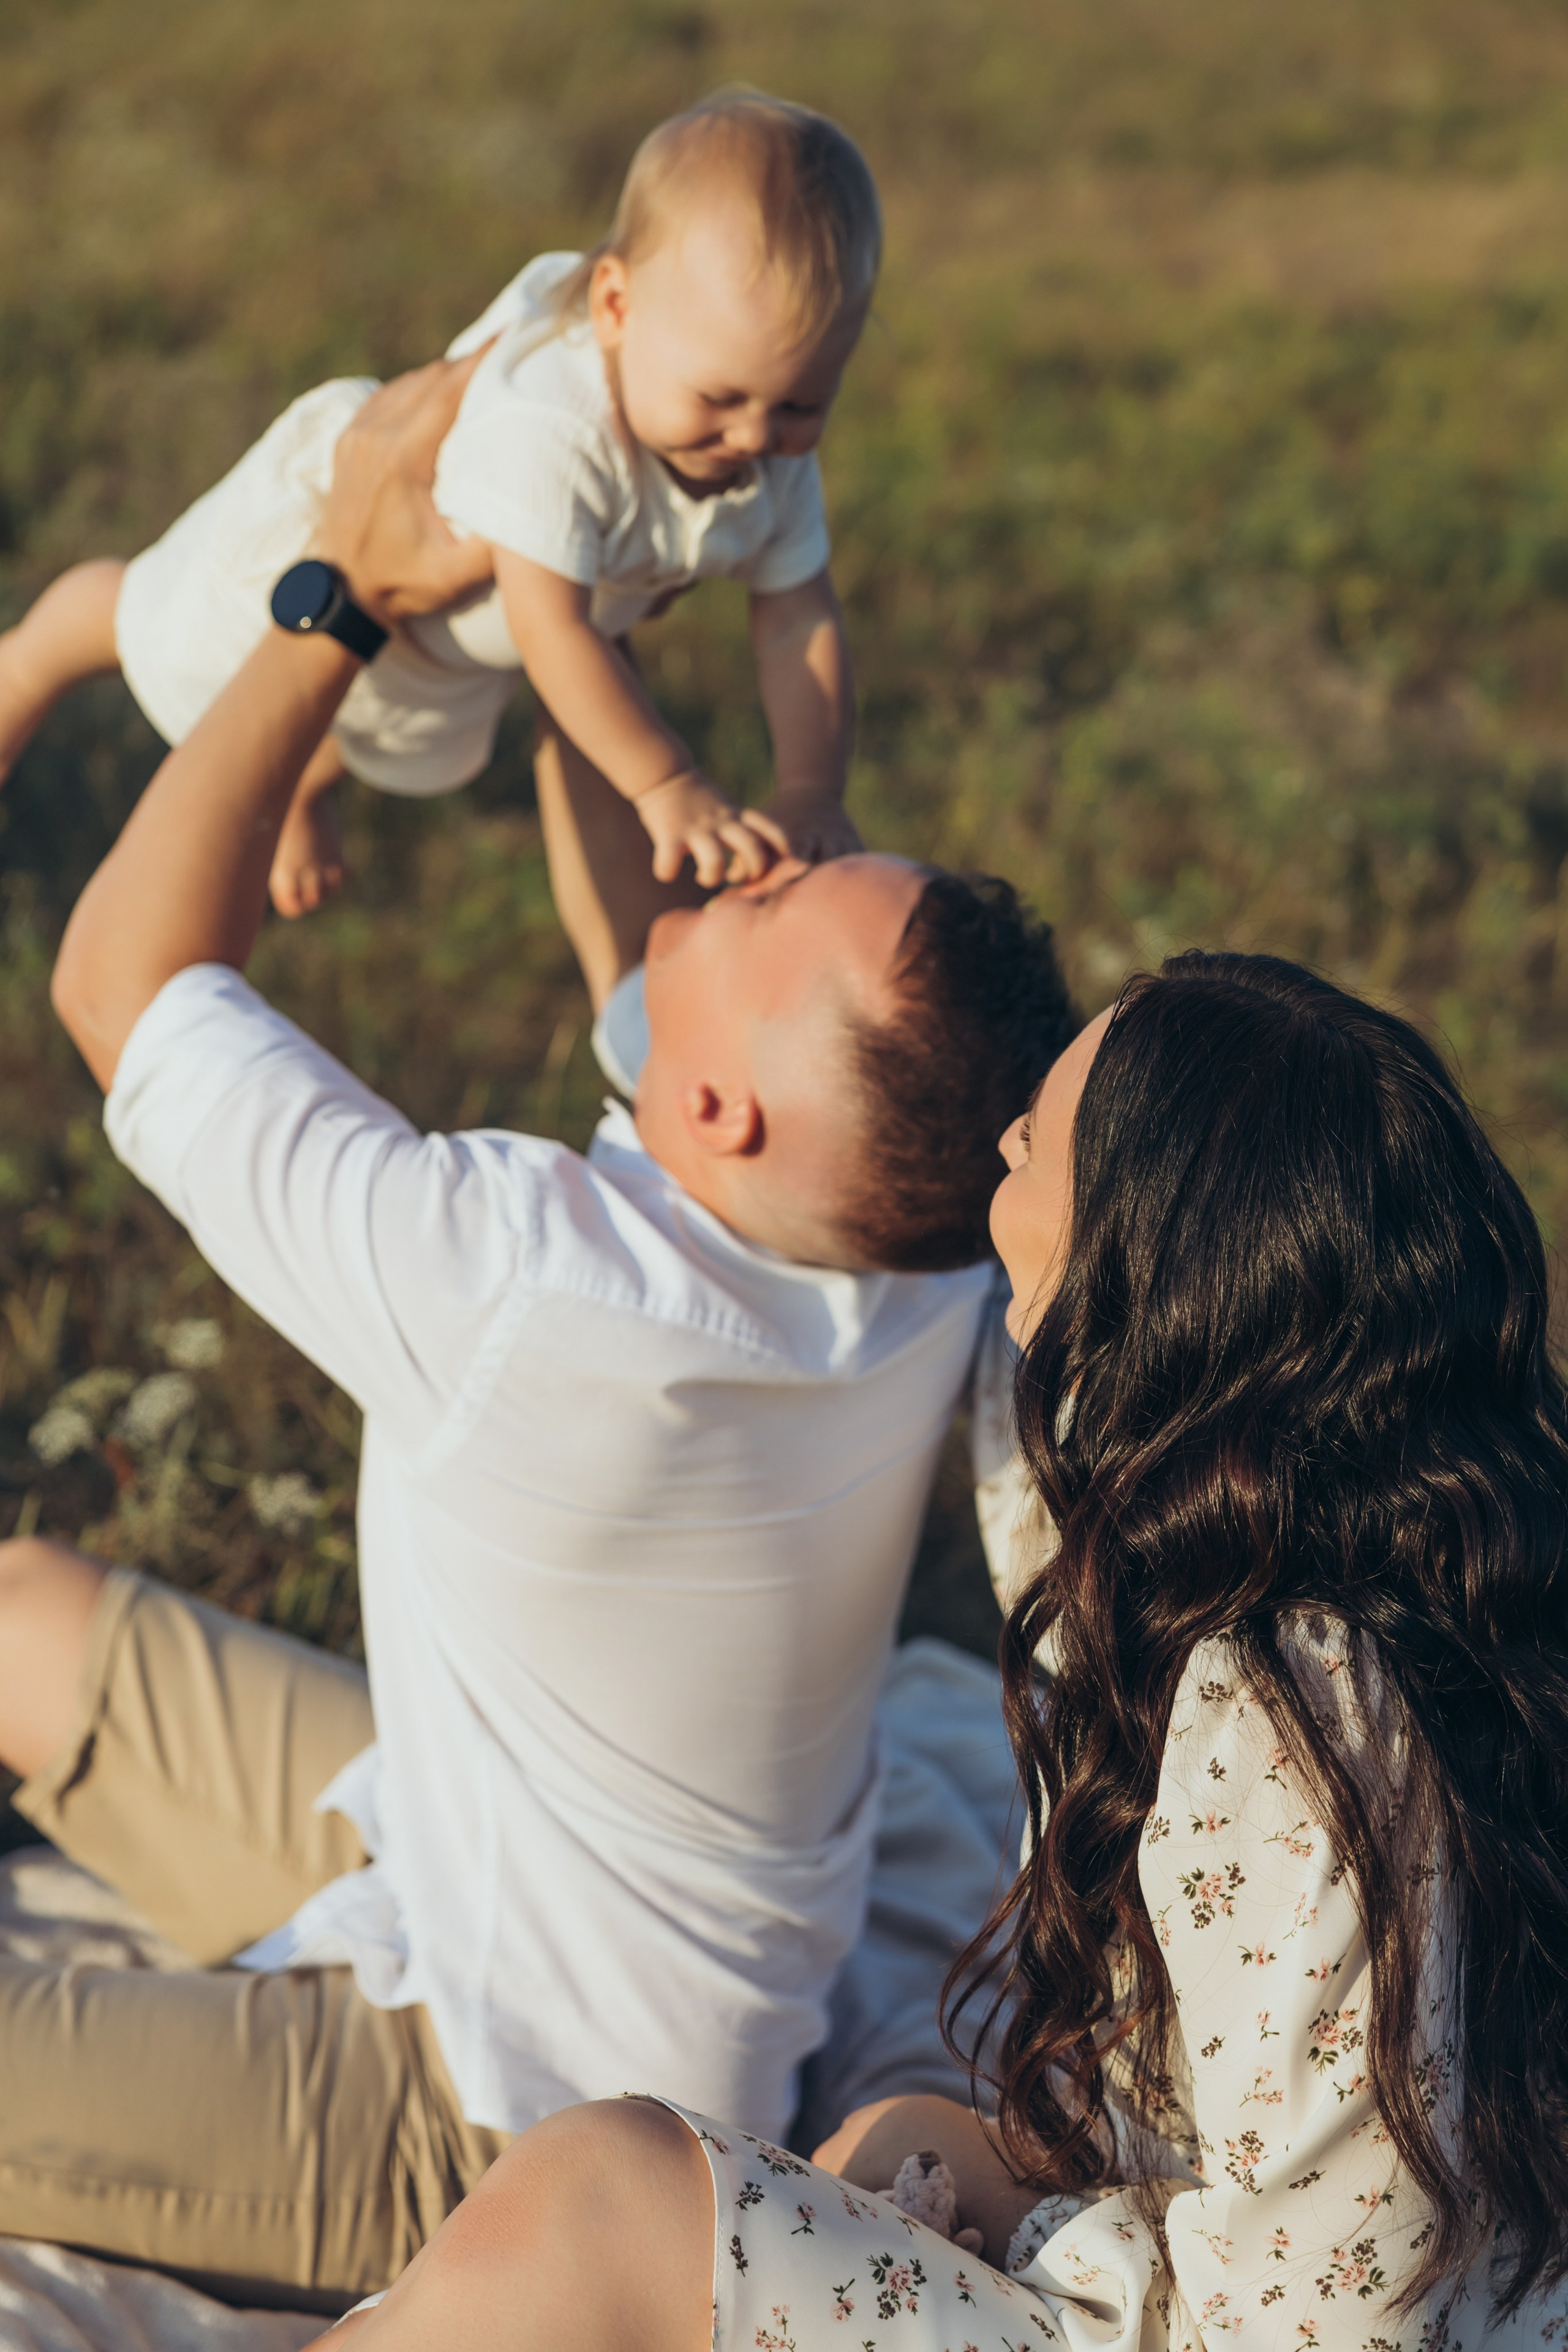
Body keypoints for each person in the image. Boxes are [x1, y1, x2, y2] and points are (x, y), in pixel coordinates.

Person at [0, 356, 1076, 2309]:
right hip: (473, 1860)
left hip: (496, 2108)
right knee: (21, 1616)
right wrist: (569, 567)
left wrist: (331, 589)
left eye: (778, 903)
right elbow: (631, 909)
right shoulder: (915, 1258)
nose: (755, 854)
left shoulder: (521, 1281)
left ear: (715, 1115)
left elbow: (120, 977)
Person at [323, 952, 1568, 2348]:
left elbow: (1322, 2322)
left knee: (599, 2193)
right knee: (893, 2131)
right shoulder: (1384, 1543)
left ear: (1132, 1258)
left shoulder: (1291, 1712)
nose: (997, 1145)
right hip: (1323, 2266)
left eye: (1032, 1138)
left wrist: (1063, 2243)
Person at [0, 89, 873, 916]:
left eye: (802, 404)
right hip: (343, 544)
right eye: (721, 398)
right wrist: (666, 782)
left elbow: (799, 619)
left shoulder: (766, 451)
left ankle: (304, 786)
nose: (758, 438)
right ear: (614, 306)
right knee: (164, 622)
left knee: (366, 717)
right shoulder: (555, 430)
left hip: (438, 649)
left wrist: (810, 787)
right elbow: (554, 630)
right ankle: (33, 659)